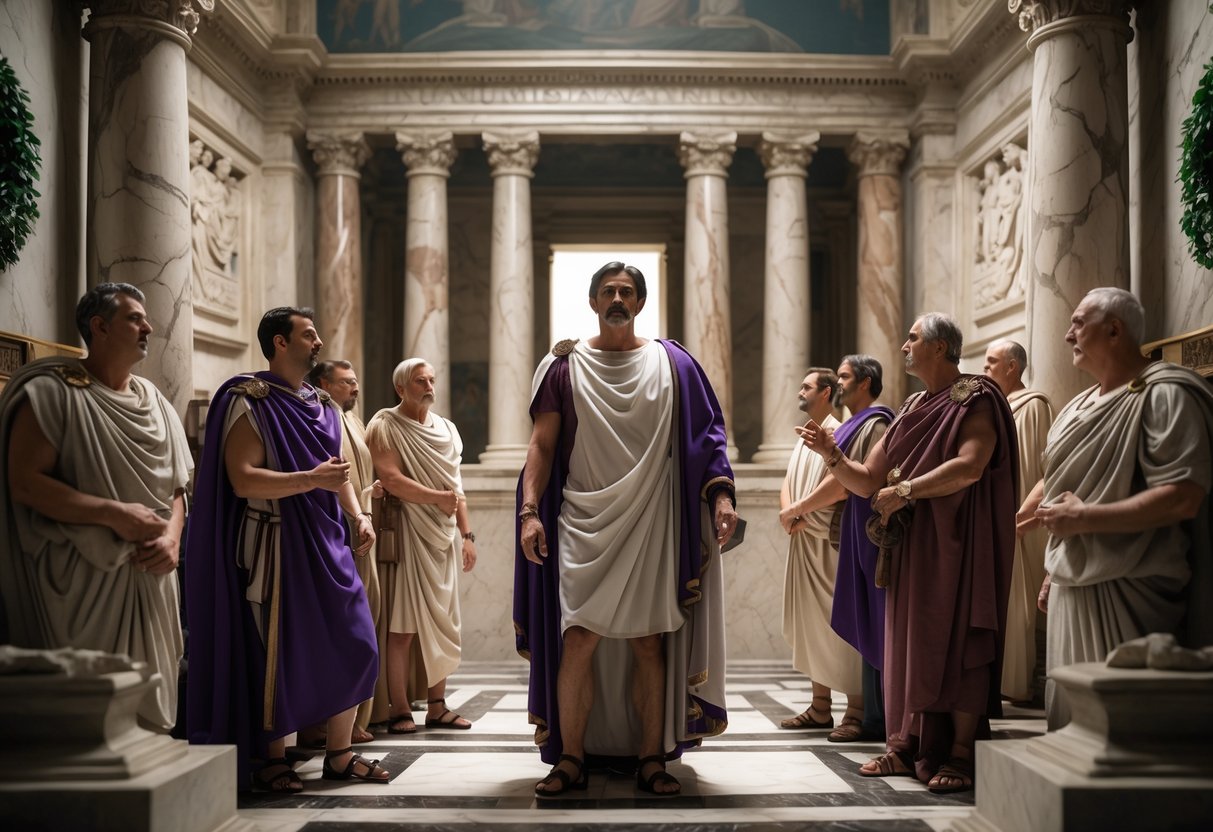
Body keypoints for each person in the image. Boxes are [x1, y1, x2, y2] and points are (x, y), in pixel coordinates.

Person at [515, 261, 739, 798]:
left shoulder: (673, 363)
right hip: (581, 519)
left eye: (628, 291)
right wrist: (528, 511)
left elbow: (708, 438)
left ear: (640, 303)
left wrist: (723, 496)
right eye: (609, 291)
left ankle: (650, 759)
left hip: (650, 520)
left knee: (647, 644)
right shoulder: (563, 364)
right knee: (578, 640)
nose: (618, 298)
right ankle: (570, 759)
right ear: (593, 301)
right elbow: (542, 444)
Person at [798, 313, 1017, 794]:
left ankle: (958, 753)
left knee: (958, 641)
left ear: (940, 348)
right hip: (911, 549)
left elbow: (972, 464)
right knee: (908, 644)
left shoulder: (976, 396)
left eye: (913, 338)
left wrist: (908, 491)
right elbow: (868, 481)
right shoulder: (916, 404)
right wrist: (831, 453)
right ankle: (906, 745)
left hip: (958, 547)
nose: (904, 345)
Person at [186, 307, 388, 792]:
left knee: (357, 641)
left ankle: (339, 755)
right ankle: (273, 757)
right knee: (275, 647)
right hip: (274, 538)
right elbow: (241, 477)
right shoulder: (249, 399)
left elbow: (336, 471)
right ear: (280, 343)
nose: (318, 342)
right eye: (308, 334)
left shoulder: (322, 403)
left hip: (327, 536)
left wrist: (358, 515)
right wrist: (308, 480)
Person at [0, 283, 192, 732]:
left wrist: (171, 540)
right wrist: (115, 514)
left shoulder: (155, 402)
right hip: (83, 574)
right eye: (134, 318)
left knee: (154, 696)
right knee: (89, 706)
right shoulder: (55, 392)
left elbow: (178, 491)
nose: (148, 327)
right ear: (99, 327)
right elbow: (25, 484)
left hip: (153, 571)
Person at [1018, 288, 1213, 728]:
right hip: (1073, 581)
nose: (1067, 334)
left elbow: (1184, 496)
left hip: (1132, 583)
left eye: (1077, 323)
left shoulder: (1164, 394)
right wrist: (1054, 568)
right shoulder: (1075, 408)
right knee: (1070, 719)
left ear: (1114, 329)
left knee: (1126, 727)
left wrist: (1084, 520)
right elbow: (1061, 486)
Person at [364, 358, 477, 734]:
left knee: (444, 623)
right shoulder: (384, 425)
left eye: (431, 380)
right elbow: (392, 479)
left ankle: (438, 706)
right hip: (408, 532)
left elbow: (456, 488)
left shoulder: (447, 429)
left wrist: (467, 534)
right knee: (404, 626)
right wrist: (437, 499)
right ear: (401, 388)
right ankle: (399, 709)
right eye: (419, 381)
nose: (429, 386)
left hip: (441, 537)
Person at [776, 368, 863, 733]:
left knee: (838, 625)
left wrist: (798, 511)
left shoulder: (838, 433)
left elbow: (840, 487)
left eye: (807, 386)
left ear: (826, 392)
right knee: (811, 626)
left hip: (826, 542)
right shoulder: (804, 436)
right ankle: (819, 707)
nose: (800, 391)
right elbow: (787, 481)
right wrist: (787, 513)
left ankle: (857, 710)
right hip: (802, 538)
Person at [306, 359, 382, 744]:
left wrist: (368, 502)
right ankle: (326, 725)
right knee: (346, 628)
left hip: (360, 524)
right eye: (346, 382)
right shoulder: (321, 416)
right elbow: (332, 475)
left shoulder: (351, 420)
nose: (355, 388)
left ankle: (351, 721)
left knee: (368, 619)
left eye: (355, 381)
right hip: (334, 533)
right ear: (323, 384)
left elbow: (357, 476)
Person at [824, 354, 895, 743]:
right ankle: (870, 713)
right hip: (854, 524)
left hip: (871, 528)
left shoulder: (878, 421)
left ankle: (880, 714)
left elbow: (863, 479)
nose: (839, 382)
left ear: (866, 382)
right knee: (863, 614)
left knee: (874, 615)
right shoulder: (856, 422)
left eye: (845, 376)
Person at [983, 339, 1053, 704]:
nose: (985, 369)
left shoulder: (1034, 405)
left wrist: (1019, 519)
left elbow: (1040, 470)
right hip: (996, 521)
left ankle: (1018, 685)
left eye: (991, 363)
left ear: (1013, 367)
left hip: (1019, 522)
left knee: (1017, 606)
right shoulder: (998, 407)